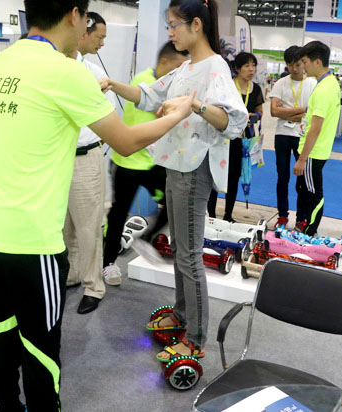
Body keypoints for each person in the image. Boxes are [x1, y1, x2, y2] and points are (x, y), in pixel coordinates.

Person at [0, 0, 195, 410]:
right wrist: (179, 111)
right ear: (75, 15)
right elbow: (125, 140)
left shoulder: (0, 62)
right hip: (30, 240)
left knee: (0, 331)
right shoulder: (67, 72)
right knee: (41, 350)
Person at [99, 0, 247, 361]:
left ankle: (195, 338)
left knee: (190, 256)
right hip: (177, 166)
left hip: (195, 169)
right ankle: (182, 316)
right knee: (181, 250)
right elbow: (149, 95)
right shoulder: (186, 68)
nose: (169, 32)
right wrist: (112, 83)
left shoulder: (214, 68)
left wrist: (194, 107)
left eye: (173, 25)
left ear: (196, 25)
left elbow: (235, 121)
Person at [103, 41, 189, 285]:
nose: (181, 72)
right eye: (178, 66)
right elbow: (155, 120)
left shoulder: (173, 84)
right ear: (164, 62)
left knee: (173, 203)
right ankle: (107, 264)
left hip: (154, 163)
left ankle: (146, 239)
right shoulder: (143, 81)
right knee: (118, 215)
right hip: (128, 161)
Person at [62, 11, 111, 315]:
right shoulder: (54, 68)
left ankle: (94, 286)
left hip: (84, 158)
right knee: (64, 226)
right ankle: (71, 274)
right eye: (99, 37)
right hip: (57, 158)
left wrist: (93, 146)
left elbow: (106, 120)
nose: (102, 43)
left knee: (89, 226)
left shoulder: (93, 73)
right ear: (82, 31)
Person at [207, 52, 263, 223]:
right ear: (237, 68)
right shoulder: (228, 87)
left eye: (253, 65)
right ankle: (211, 215)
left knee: (235, 177)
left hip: (244, 141)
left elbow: (260, 111)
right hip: (224, 138)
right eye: (246, 65)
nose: (251, 69)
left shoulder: (257, 89)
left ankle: (228, 215)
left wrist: (254, 117)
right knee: (217, 175)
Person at [293, 41, 341, 236]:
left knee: (313, 194)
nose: (303, 66)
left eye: (305, 61)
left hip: (313, 153)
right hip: (315, 151)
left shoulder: (323, 89)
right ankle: (306, 227)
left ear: (318, 62)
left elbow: (316, 127)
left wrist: (302, 159)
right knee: (305, 190)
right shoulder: (330, 83)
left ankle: (311, 232)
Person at [268, 45, 317, 228]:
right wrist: (301, 111)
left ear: (303, 63)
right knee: (282, 177)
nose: (294, 68)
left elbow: (311, 113)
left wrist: (286, 111)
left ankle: (301, 218)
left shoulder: (312, 84)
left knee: (302, 180)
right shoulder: (281, 83)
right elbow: (273, 112)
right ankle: (282, 215)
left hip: (302, 135)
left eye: (297, 64)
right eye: (290, 64)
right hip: (282, 134)